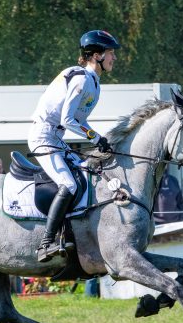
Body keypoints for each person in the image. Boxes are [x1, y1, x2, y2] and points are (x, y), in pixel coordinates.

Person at [28, 29, 119, 261]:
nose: (114, 58)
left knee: (87, 174)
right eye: (110, 53)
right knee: (68, 184)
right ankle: (45, 243)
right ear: (97, 55)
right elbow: (68, 120)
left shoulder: (93, 82)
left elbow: (79, 120)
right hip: (43, 136)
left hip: (56, 139)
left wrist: (98, 138)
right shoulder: (81, 79)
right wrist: (95, 138)